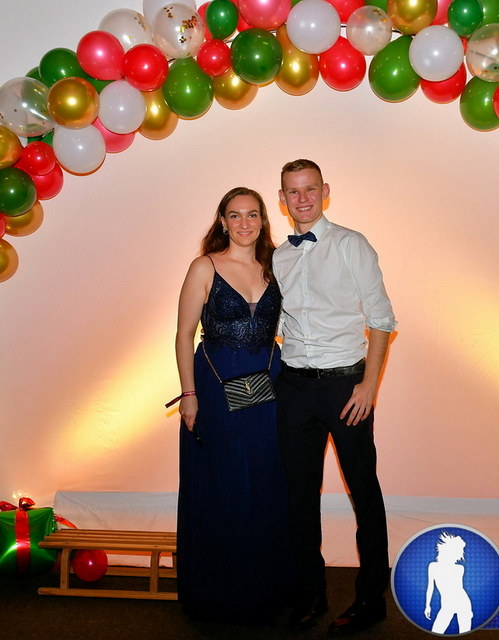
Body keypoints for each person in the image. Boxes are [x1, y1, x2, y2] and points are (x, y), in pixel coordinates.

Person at [273, 159, 396, 635]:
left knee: (364, 491)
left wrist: (368, 385)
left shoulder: (351, 244)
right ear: (282, 200)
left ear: (325, 191)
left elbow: (381, 319)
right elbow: (278, 325)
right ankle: (311, 594)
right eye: (292, 191)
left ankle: (371, 599)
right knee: (298, 496)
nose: (302, 198)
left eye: (309, 189)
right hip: (294, 388)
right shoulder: (278, 257)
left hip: (346, 387)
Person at [171, 186, 292, 625]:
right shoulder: (204, 266)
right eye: (235, 215)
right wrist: (189, 395)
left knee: (267, 482)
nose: (244, 223)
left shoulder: (277, 266)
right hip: (216, 385)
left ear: (263, 220)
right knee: (223, 484)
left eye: (253, 214)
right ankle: (218, 593)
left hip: (269, 384)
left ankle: (267, 589)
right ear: (223, 221)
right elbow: (184, 335)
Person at [424, 532, 473, 634]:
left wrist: (468, 610)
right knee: (436, 631)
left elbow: (459, 588)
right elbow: (430, 587)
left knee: (465, 633)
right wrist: (427, 605)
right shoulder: (433, 566)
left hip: (463, 603)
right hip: (447, 605)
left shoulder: (460, 568)